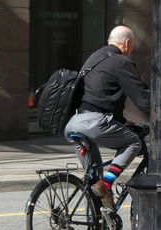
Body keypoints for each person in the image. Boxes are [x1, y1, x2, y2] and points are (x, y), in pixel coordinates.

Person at [64, 25, 150, 212]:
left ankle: (94, 227)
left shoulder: (94, 58)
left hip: (74, 124)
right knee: (133, 143)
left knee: (93, 177)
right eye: (132, 46)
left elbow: (99, 94)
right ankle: (108, 183)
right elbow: (142, 97)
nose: (131, 51)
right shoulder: (121, 62)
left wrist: (121, 120)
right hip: (94, 124)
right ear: (127, 43)